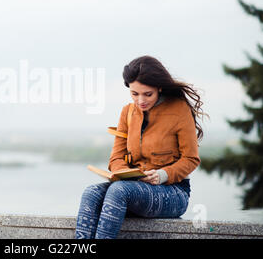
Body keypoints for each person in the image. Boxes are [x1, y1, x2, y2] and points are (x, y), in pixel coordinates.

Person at [75, 55, 206, 239]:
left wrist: (162, 175)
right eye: (134, 94)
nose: (140, 100)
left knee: (119, 191)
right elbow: (116, 159)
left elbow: (191, 159)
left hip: (173, 192)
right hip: (132, 188)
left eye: (147, 94)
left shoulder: (179, 110)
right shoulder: (127, 112)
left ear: (159, 87)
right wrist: (125, 174)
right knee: (91, 193)